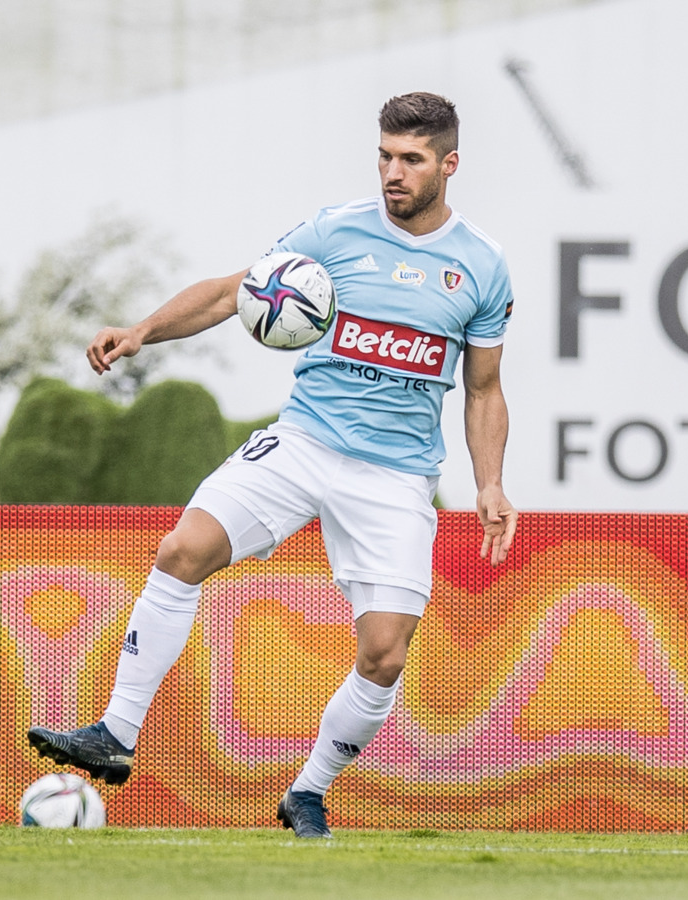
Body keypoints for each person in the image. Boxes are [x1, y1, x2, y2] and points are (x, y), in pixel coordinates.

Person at [27, 92, 517, 838]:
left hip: (395, 475)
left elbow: (483, 389)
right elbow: (234, 292)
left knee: (384, 655)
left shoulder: (482, 265)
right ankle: (116, 733)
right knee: (182, 549)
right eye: (385, 155)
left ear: (449, 165)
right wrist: (142, 331)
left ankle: (308, 792)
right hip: (304, 440)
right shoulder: (334, 230)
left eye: (412, 159)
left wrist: (489, 483)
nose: (393, 172)